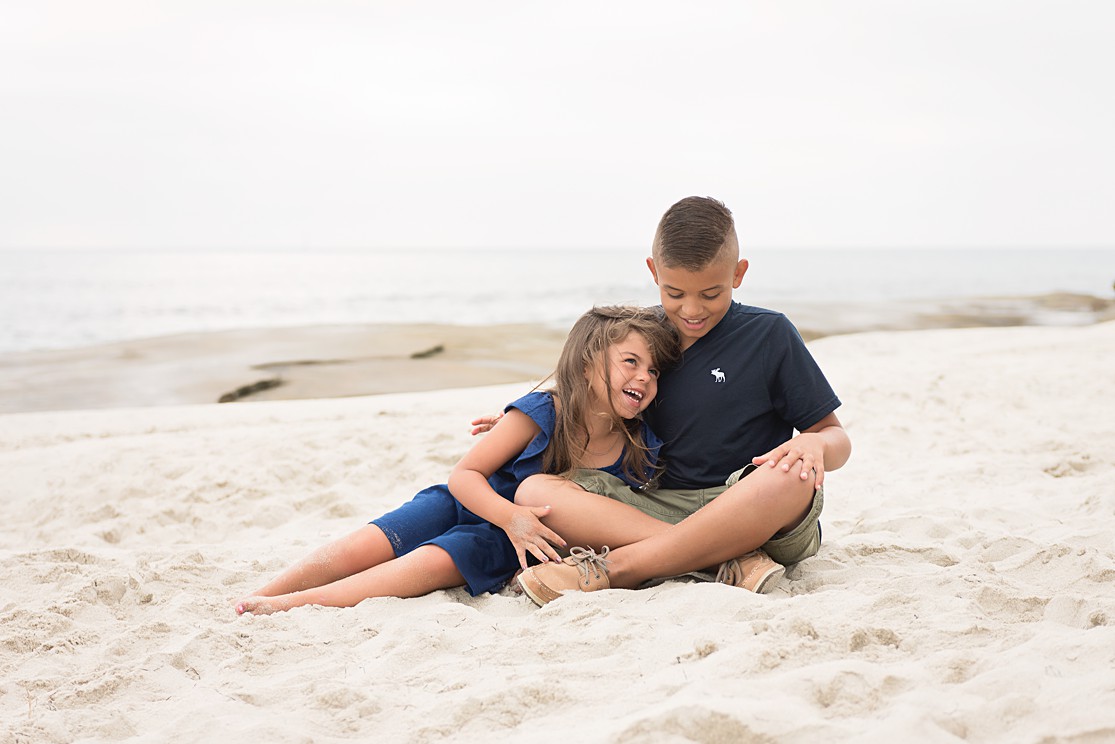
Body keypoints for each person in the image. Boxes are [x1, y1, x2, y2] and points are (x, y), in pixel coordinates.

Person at [477, 196, 852, 605]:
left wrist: (814, 443)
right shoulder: (641, 335)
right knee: (534, 492)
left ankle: (619, 568)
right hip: (652, 507)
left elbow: (835, 438)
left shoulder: (770, 335)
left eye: (711, 293)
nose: (691, 310)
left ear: (738, 274)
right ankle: (725, 557)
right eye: (674, 292)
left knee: (792, 477)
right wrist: (538, 420)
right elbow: (594, 392)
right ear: (653, 272)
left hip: (749, 504)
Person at [234, 305, 680, 615]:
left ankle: (292, 605)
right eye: (630, 362)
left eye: (654, 370)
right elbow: (465, 475)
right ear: (585, 364)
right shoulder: (545, 410)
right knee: (369, 542)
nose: (644, 376)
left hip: (510, 543)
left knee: (427, 565)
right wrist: (510, 516)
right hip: (474, 504)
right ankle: (267, 591)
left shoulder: (639, 446)